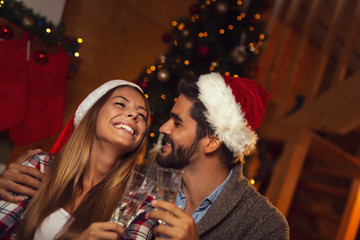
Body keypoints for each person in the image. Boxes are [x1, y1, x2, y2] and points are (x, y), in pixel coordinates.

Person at [1, 72, 290, 239]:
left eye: (176, 122)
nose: (161, 127)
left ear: (212, 141)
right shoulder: (137, 181)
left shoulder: (265, 226)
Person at [0, 80, 158, 239]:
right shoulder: (40, 166)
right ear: (93, 113)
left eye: (142, 115)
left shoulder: (142, 201)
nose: (134, 115)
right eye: (120, 104)